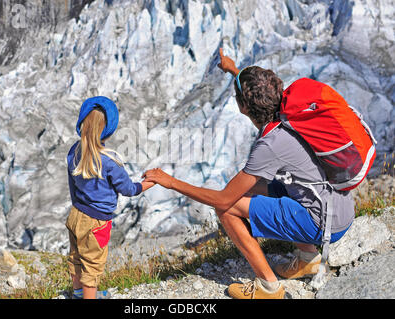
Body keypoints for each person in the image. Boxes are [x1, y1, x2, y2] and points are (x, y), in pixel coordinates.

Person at [141, 49, 354, 299]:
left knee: (227, 207)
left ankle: (268, 287)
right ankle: (308, 259)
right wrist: (234, 70)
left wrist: (170, 182)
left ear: (243, 108)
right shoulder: (287, 110)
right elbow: (258, 90)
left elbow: (222, 199)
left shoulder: (270, 145)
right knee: (252, 187)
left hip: (324, 225)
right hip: (339, 209)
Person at [66, 96, 155, 299]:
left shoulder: (74, 151)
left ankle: (78, 293)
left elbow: (71, 184)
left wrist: (76, 205)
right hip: (97, 221)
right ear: (110, 129)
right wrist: (150, 182)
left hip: (75, 214)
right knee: (92, 266)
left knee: (76, 258)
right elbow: (128, 189)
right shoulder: (109, 161)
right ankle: (90, 296)